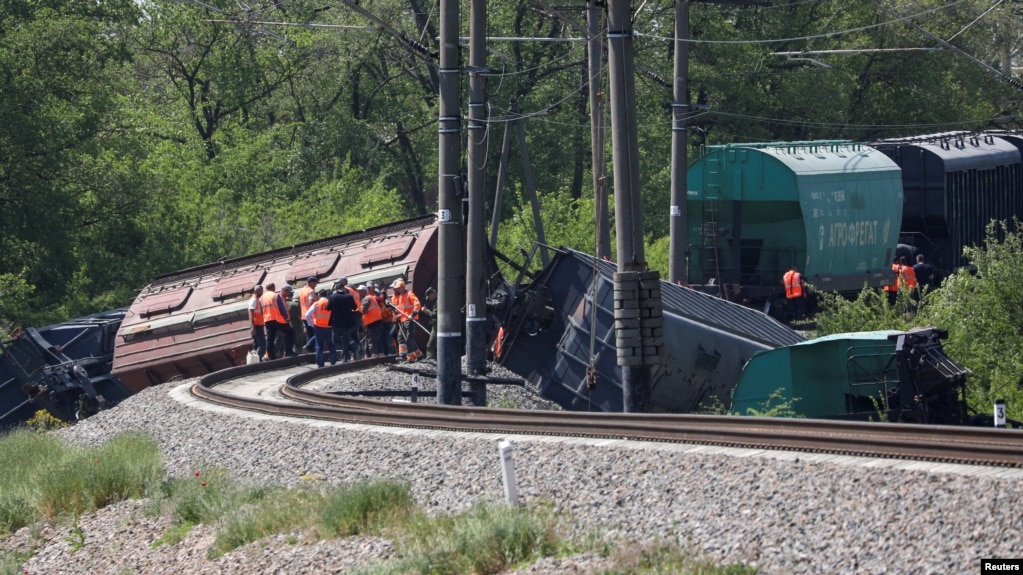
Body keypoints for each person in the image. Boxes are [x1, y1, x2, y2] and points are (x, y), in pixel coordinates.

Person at [390, 279, 423, 362]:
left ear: (403, 287)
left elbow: (417, 304)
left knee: (409, 338)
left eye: (399, 288)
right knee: (401, 337)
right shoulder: (400, 296)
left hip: (411, 320)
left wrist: (413, 314)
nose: (397, 289)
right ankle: (407, 355)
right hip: (403, 320)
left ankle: (410, 357)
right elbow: (401, 310)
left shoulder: (409, 294)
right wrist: (393, 310)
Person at [327, 281, 360, 362]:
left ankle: (335, 357)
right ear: (343, 288)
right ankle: (344, 358)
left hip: (336, 322)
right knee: (346, 339)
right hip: (347, 322)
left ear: (336, 289)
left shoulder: (332, 297)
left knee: (335, 339)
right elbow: (355, 307)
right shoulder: (349, 297)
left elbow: (328, 308)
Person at [310, 289, 336, 367]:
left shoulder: (316, 304)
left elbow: (308, 315)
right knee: (331, 345)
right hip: (330, 327)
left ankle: (320, 364)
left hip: (318, 327)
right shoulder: (330, 303)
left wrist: (311, 324)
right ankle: (333, 362)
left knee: (319, 346)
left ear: (319, 295)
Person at [359, 285, 386, 358]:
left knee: (372, 340)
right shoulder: (372, 297)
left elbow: (362, 311)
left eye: (360, 291)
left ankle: (374, 356)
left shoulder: (366, 299)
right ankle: (381, 355)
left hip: (372, 322)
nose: (359, 293)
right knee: (377, 340)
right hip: (378, 321)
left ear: (364, 291)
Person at [297, 277, 319, 352]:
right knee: (317, 333)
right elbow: (311, 302)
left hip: (304, 315)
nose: (315, 285)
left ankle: (309, 350)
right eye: (315, 283)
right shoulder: (310, 291)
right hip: (311, 316)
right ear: (310, 283)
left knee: (309, 333)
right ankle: (308, 346)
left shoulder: (302, 291)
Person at [247, 284, 266, 361]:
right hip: (256, 325)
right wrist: (253, 326)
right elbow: (250, 313)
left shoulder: (257, 299)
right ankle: (257, 360)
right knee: (262, 345)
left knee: (256, 344)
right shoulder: (254, 300)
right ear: (256, 291)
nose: (262, 292)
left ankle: (254, 360)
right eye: (261, 291)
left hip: (258, 325)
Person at [421, 287, 438, 360]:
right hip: (435, 325)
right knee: (431, 344)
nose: (429, 299)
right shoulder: (437, 301)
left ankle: (431, 358)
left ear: (433, 293)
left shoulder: (438, 301)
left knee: (432, 343)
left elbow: (435, 314)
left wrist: (426, 311)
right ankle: (430, 358)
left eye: (429, 296)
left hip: (438, 326)